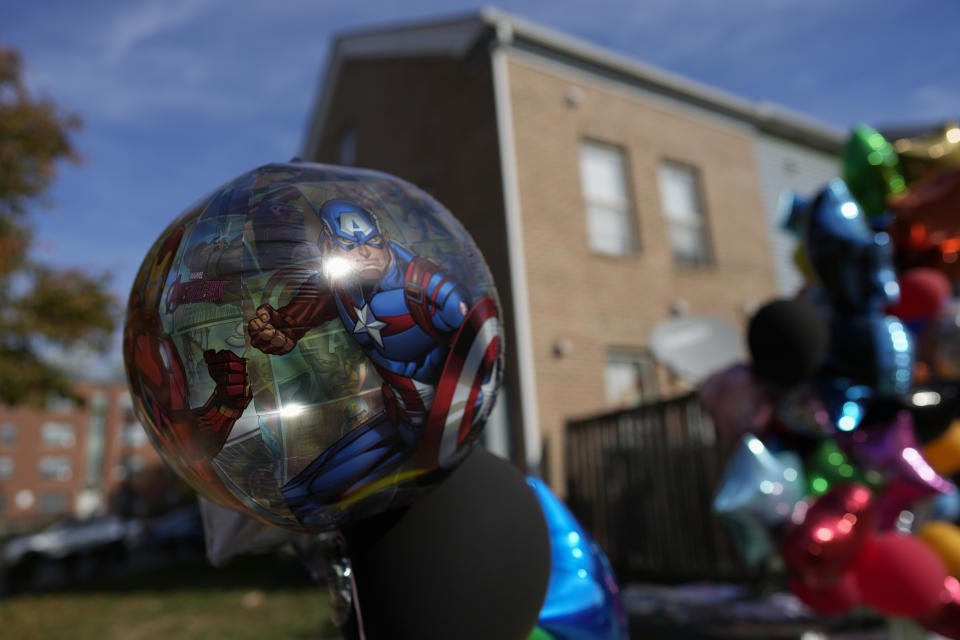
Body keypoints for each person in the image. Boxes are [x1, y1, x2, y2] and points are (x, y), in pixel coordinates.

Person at [248, 199, 500, 527]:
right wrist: (272, 332)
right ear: (328, 244)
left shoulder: (430, 287)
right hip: (399, 422)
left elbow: (481, 346)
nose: (365, 252)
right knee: (304, 495)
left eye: (372, 241)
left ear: (384, 237)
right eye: (350, 245)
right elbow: (286, 327)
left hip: (443, 429)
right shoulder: (336, 285)